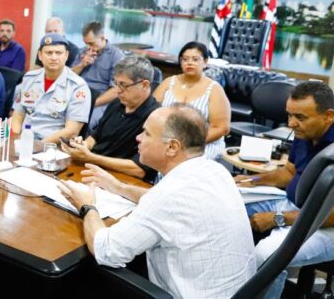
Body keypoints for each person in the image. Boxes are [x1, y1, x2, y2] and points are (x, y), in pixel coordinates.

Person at [59, 104, 256, 298]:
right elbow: (166, 199)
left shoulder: (169, 195)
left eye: (146, 133)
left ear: (172, 147)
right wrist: (118, 187)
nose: (138, 137)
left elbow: (106, 250)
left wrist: (87, 206)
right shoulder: (216, 171)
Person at [236, 81, 334, 299]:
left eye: (300, 117)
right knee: (229, 199)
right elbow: (289, 172)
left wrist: (277, 218)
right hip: (294, 205)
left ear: (328, 116)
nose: (291, 123)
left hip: (326, 225)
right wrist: (252, 180)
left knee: (266, 255)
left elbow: (330, 215)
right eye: (289, 115)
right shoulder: (304, 132)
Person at [61, 56, 159, 181]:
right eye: (116, 83)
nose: (117, 91)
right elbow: (96, 136)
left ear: (144, 84)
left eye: (123, 85)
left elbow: (140, 169)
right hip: (92, 168)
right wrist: (83, 145)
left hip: (121, 179)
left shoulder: (155, 118)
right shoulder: (117, 103)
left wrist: (91, 157)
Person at [153, 41, 230, 161]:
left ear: (205, 62)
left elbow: (221, 128)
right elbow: (152, 113)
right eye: (185, 59)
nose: (189, 63)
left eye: (195, 59)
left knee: (184, 162)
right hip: (168, 140)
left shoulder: (214, 89)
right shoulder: (168, 82)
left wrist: (189, 143)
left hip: (203, 143)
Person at [11, 33, 91, 143]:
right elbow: (17, 115)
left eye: (58, 53)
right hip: (24, 140)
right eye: (49, 53)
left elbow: (72, 131)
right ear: (40, 55)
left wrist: (38, 145)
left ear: (66, 55)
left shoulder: (77, 86)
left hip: (53, 146)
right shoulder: (29, 79)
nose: (54, 57)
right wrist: (15, 140)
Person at [71, 22, 125, 128]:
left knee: (83, 123)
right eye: (86, 43)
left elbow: (116, 90)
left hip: (99, 100)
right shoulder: (83, 51)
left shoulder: (116, 56)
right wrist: (81, 65)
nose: (88, 47)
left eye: (91, 43)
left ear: (102, 38)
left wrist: (91, 103)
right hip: (77, 95)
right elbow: (68, 77)